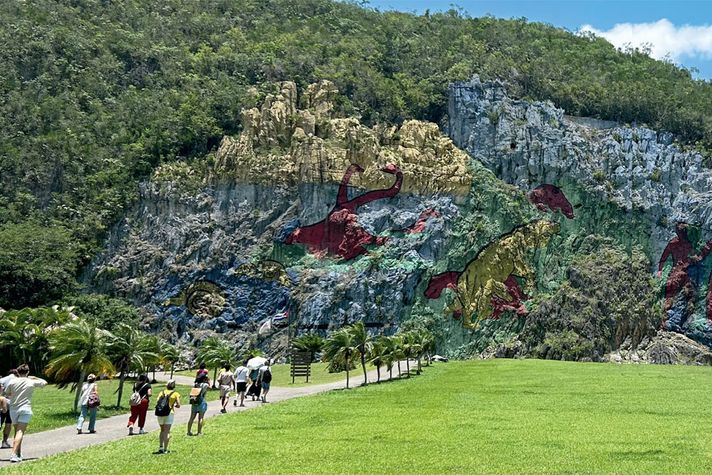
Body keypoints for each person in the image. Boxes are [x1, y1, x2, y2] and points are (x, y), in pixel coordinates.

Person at [3, 364, 47, 463]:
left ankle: (18, 453)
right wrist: (35, 377)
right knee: (20, 432)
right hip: (25, 408)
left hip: (14, 410)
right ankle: (14, 454)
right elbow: (44, 382)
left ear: (17, 372)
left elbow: (7, 393)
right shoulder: (30, 381)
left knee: (17, 431)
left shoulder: (12, 381)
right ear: (27, 372)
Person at [155, 380, 180, 454]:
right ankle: (165, 449)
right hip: (169, 413)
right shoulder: (175, 394)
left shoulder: (161, 392)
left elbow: (157, 401)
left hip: (160, 413)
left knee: (162, 430)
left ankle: (160, 447)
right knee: (167, 431)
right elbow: (178, 404)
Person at [0, 369, 18, 449]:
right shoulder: (17, 379)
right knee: (8, 423)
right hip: (11, 404)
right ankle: (4, 442)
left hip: (1, 402)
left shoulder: (2, 379)